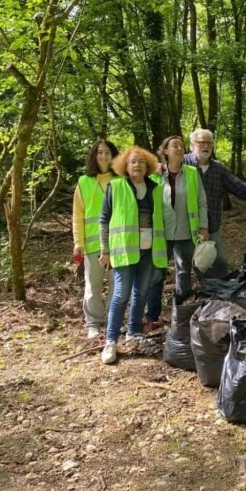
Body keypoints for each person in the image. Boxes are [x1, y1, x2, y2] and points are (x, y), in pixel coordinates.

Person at [99, 147, 167, 365]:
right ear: (125, 167)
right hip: (124, 251)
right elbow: (103, 220)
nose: (137, 165)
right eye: (132, 162)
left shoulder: (155, 188)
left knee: (142, 292)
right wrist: (105, 251)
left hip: (149, 252)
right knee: (121, 294)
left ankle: (134, 332)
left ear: (148, 167)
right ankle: (111, 341)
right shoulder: (115, 187)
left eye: (141, 162)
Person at [145, 135, 209, 328]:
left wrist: (204, 227)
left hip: (185, 232)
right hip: (160, 234)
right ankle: (152, 318)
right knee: (156, 274)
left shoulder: (192, 173)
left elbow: (201, 202)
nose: (180, 149)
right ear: (165, 151)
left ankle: (182, 316)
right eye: (175, 146)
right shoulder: (155, 175)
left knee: (184, 272)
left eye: (181, 146)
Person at [184, 128, 246, 277]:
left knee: (220, 262)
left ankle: (219, 293)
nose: (206, 146)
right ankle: (186, 295)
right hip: (186, 228)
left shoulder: (218, 168)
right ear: (191, 144)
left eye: (209, 143)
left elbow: (238, 186)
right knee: (184, 268)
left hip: (211, 226)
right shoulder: (183, 164)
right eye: (202, 142)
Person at [72, 140, 119, 339]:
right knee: (93, 286)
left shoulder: (121, 179)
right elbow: (78, 214)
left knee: (116, 285)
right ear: (94, 155)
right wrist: (78, 243)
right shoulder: (84, 181)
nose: (104, 156)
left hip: (118, 243)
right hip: (92, 245)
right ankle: (93, 323)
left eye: (108, 152)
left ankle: (112, 320)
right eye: (100, 152)